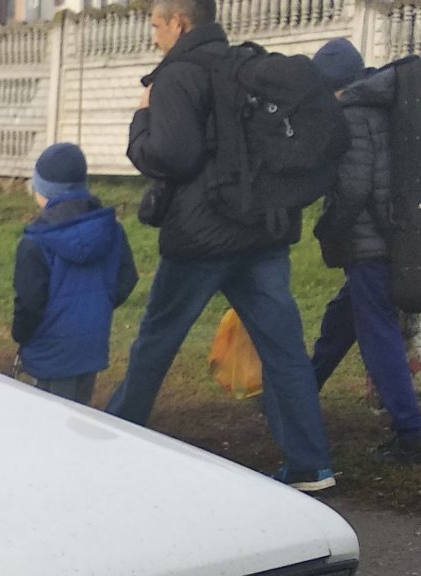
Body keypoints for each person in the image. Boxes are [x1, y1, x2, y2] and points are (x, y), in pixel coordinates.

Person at [105, 0, 336, 492]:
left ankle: (116, 436)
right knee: (284, 350)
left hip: (201, 238)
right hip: (261, 233)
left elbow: (171, 156)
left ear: (178, 23)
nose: (153, 38)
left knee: (156, 342)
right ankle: (310, 465)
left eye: (155, 25)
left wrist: (140, 120)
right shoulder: (244, 67)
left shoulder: (176, 76)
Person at [308, 38, 421, 466]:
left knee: (378, 334)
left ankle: (411, 432)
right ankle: (302, 387)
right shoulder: (388, 101)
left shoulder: (351, 113)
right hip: (399, 234)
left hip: (370, 240)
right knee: (344, 318)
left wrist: (328, 228)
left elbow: (354, 187)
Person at [12, 142, 138, 404]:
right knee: (79, 413)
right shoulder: (111, 230)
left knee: (49, 423)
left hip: (50, 350)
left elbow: (29, 303)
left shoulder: (35, 241)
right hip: (89, 349)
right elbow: (127, 277)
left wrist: (20, 336)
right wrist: (97, 306)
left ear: (42, 189)